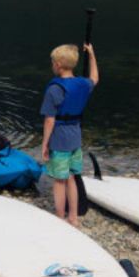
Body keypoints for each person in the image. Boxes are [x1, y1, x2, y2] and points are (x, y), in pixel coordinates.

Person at [40, 43, 98, 227]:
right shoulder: (83, 84)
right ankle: (73, 217)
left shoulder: (54, 89)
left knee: (59, 180)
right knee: (72, 177)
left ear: (57, 64)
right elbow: (95, 77)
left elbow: (50, 121)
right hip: (75, 137)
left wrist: (44, 144)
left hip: (59, 139)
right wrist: (91, 54)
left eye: (52, 62)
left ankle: (60, 216)